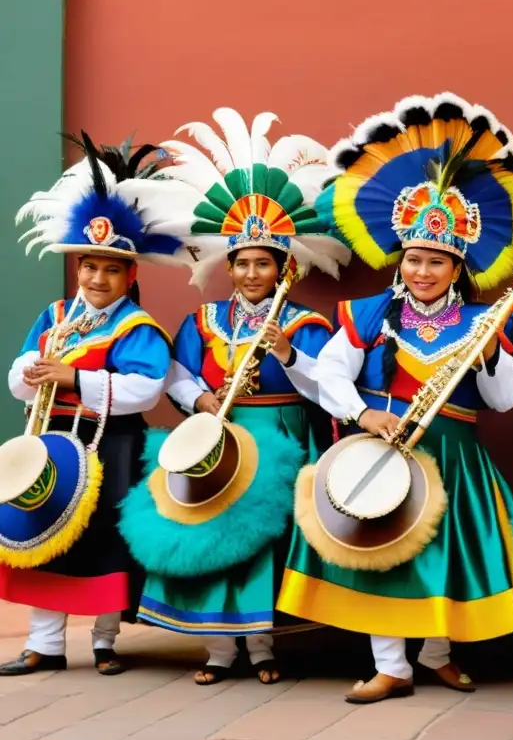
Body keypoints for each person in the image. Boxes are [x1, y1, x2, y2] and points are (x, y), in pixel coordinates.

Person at [277, 92, 513, 703]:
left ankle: (437, 655)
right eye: (414, 259)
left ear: (459, 266)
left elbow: (504, 401)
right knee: (382, 550)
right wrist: (364, 413)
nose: (422, 271)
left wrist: (490, 354)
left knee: (444, 556)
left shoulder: (487, 319)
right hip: (380, 444)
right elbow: (329, 375)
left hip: (454, 454)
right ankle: (391, 665)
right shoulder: (371, 312)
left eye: (437, 262)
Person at [116, 108, 348, 685]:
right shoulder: (205, 320)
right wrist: (199, 401)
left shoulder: (303, 323)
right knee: (215, 531)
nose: (249, 273)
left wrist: (288, 354)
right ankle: (218, 650)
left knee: (266, 542)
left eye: (261, 264)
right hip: (220, 434)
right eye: (241, 263)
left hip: (284, 439)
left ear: (281, 268)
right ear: (231, 266)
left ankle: (265, 647)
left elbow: (329, 386)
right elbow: (175, 373)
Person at [0, 133, 188, 676]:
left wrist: (74, 378)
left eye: (110, 269)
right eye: (89, 266)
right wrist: (32, 374)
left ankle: (105, 642)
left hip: (110, 443)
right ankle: (45, 644)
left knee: (103, 538)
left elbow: (145, 390)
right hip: (55, 444)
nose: (97, 278)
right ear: (77, 267)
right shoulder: (55, 315)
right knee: (46, 534)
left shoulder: (137, 326)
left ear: (130, 275)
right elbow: (18, 370)